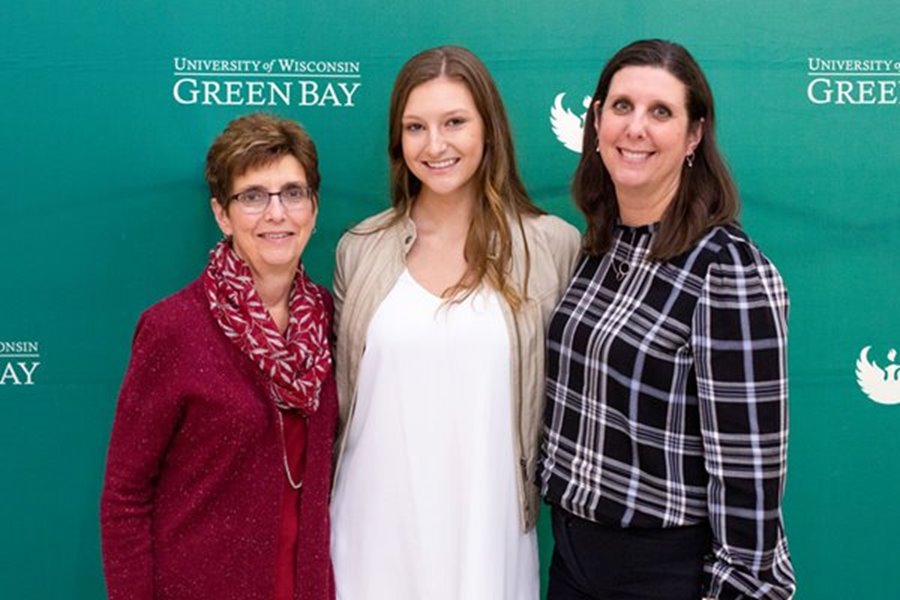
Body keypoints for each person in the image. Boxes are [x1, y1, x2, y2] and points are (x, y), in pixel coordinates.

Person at [540, 40, 796, 599]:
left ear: (694, 135)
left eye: (661, 112)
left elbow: (749, 478)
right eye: (622, 106)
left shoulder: (727, 271)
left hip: (662, 569)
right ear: (597, 120)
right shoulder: (600, 246)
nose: (636, 128)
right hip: (572, 559)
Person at [329, 45, 580, 599]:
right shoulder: (359, 249)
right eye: (416, 126)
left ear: (488, 130)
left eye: (454, 122)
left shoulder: (552, 247)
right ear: (399, 141)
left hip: (488, 537)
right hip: (371, 535)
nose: (435, 145)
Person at [100, 113, 337, 600]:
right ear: (222, 214)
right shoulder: (173, 328)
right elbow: (126, 497)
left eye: (293, 193)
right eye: (253, 196)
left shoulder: (332, 321)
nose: (277, 213)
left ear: (313, 209)